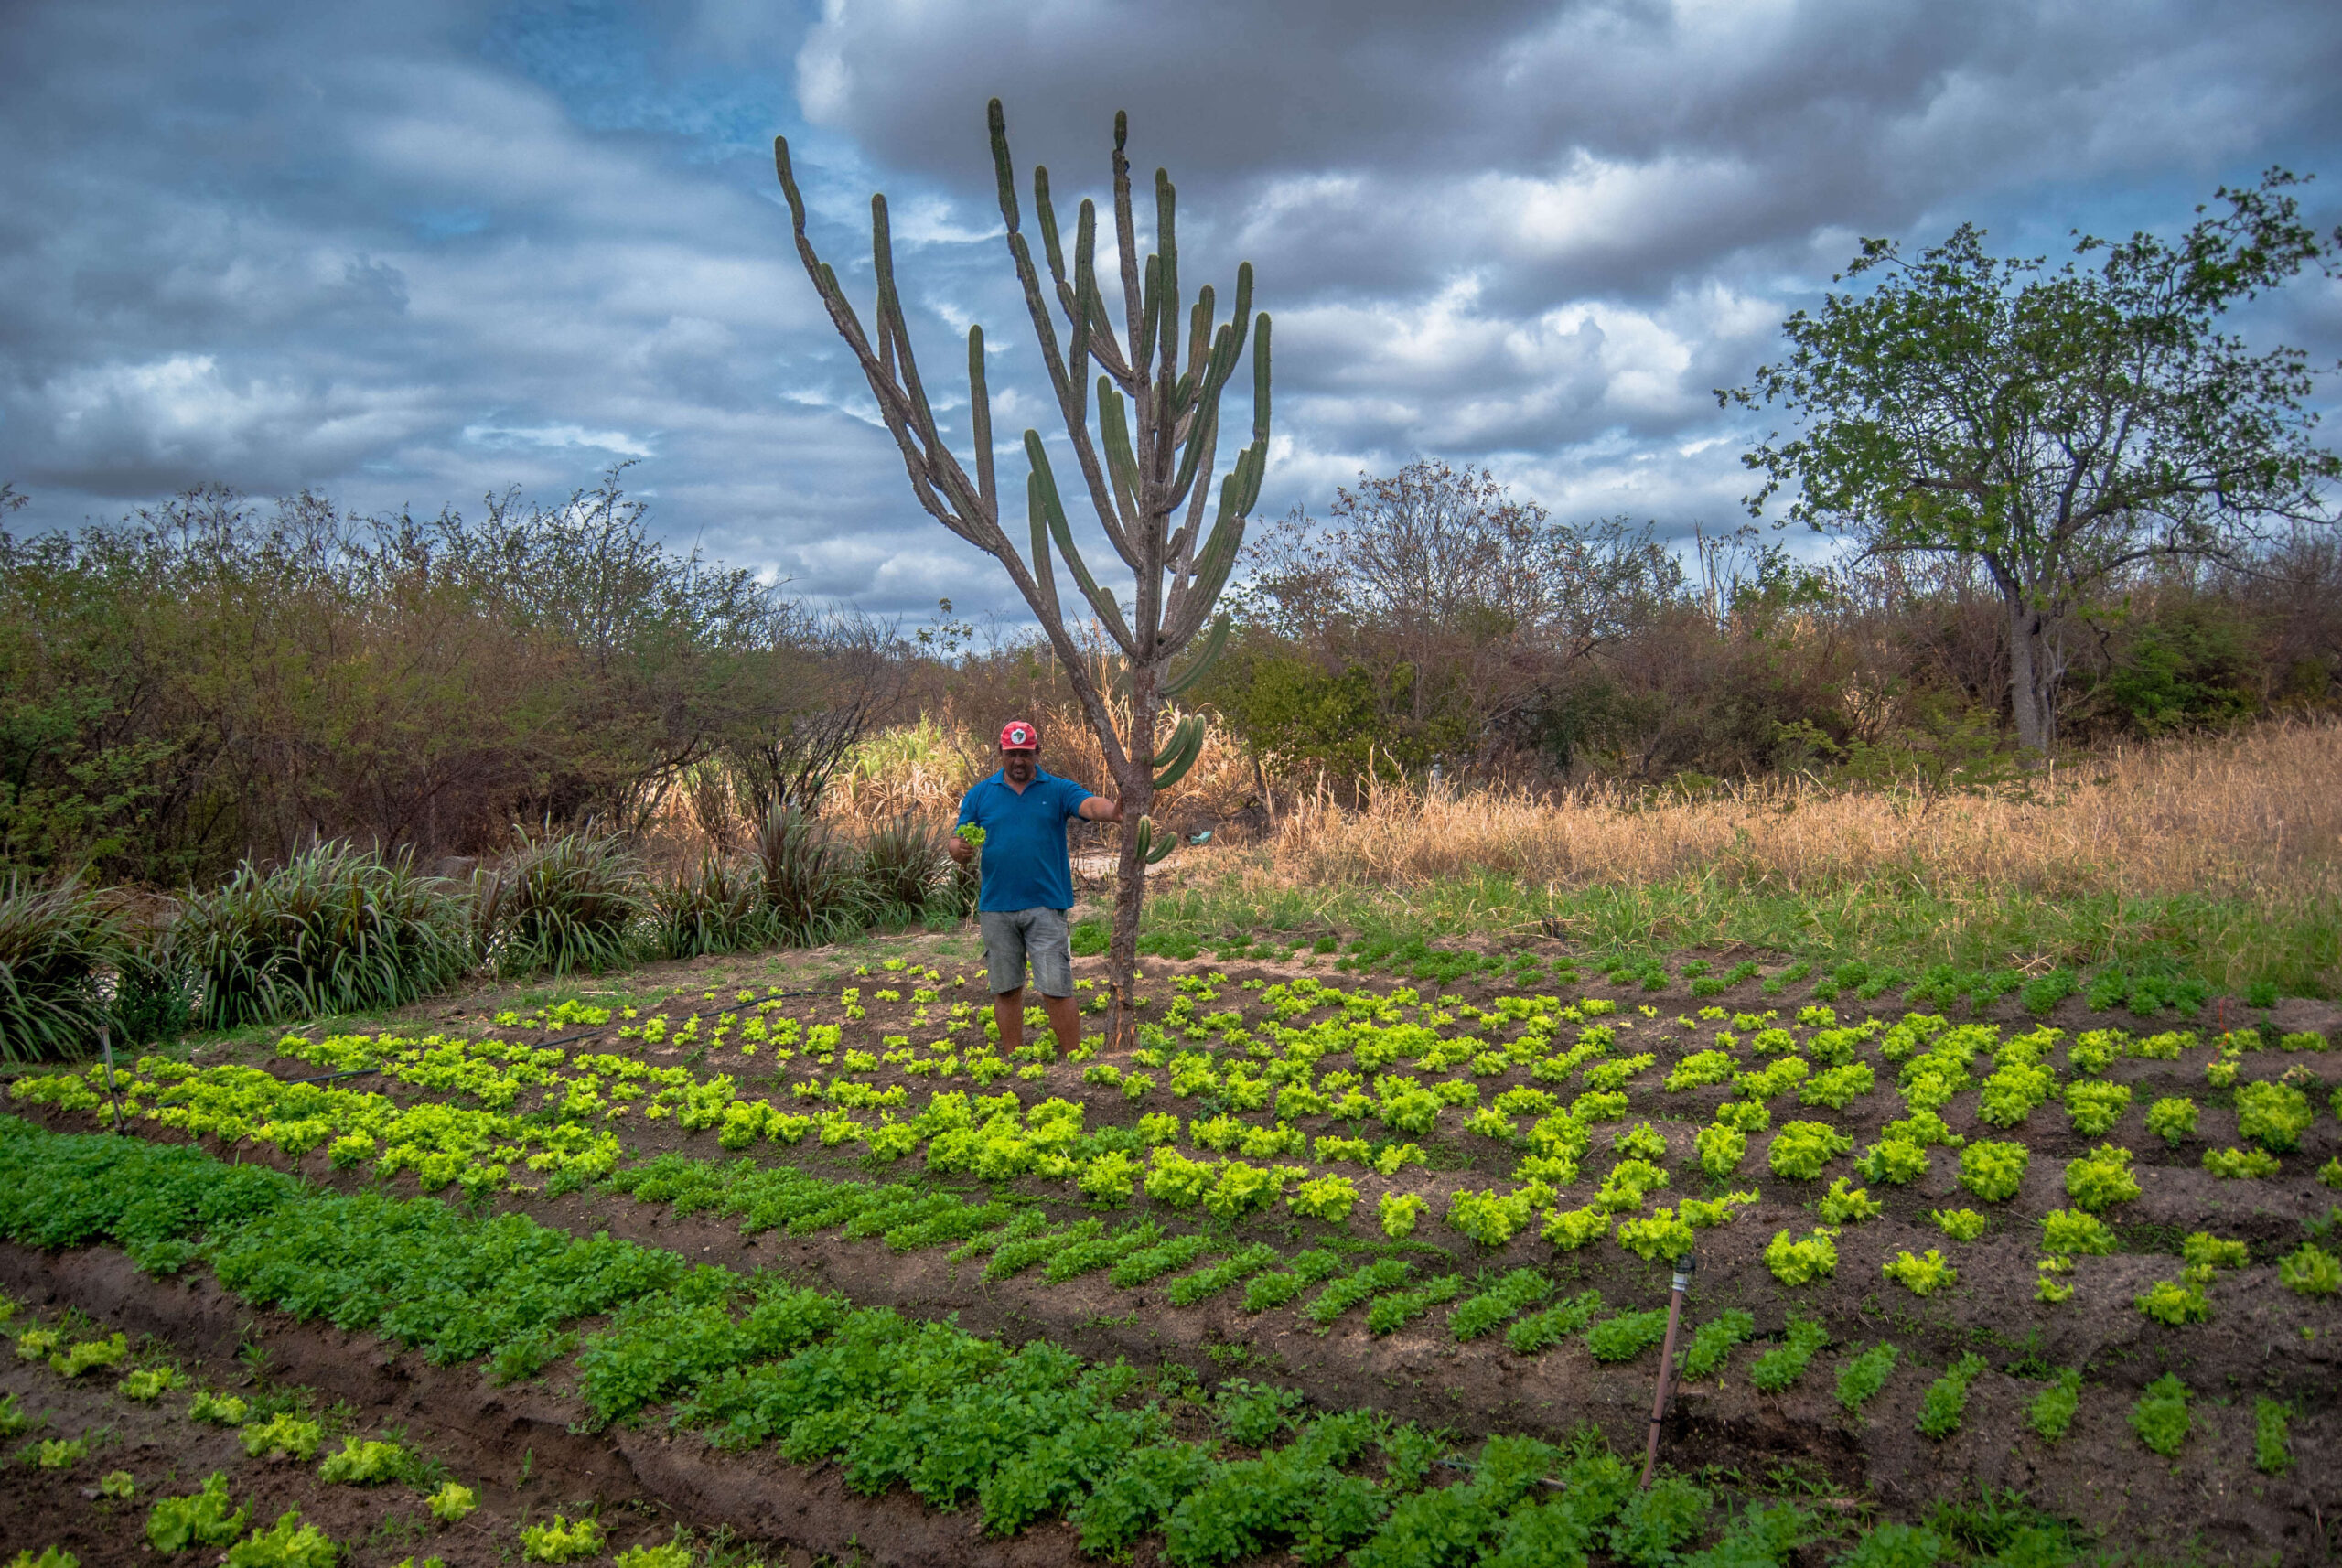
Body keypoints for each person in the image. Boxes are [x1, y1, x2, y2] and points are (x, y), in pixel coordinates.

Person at [948, 718, 1123, 1055]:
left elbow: (1088, 805)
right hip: (997, 907)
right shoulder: (980, 794)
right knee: (1006, 989)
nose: (1018, 761)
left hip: (1046, 905)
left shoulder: (1057, 789)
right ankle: (1014, 1058)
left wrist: (1114, 812)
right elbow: (958, 839)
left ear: (1037, 753)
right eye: (1012, 754)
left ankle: (1073, 1059)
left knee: (1057, 987)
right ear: (1001, 753)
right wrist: (958, 850)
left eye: (1025, 754)